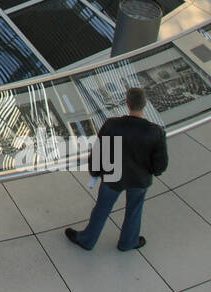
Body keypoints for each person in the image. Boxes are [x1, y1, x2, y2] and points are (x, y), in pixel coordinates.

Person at [65, 87, 168, 252]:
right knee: (135, 209)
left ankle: (88, 239)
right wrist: (153, 172)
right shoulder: (156, 132)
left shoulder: (113, 125)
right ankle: (128, 241)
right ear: (145, 104)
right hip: (140, 179)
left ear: (127, 103)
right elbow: (160, 164)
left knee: (101, 208)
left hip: (113, 176)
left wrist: (96, 171)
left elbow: (100, 151)